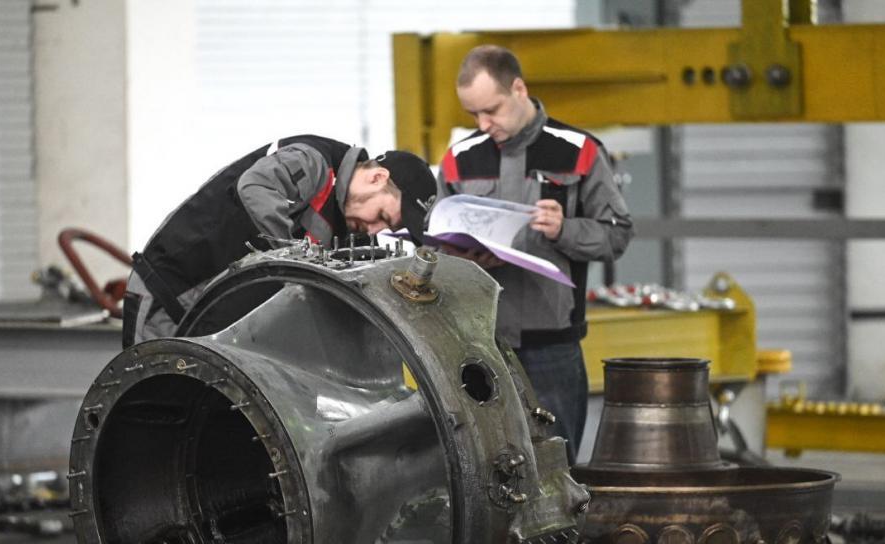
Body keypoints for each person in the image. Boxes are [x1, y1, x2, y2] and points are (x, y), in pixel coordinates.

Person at [437, 45, 635, 465]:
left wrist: (566, 230)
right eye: (474, 115)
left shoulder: (578, 151)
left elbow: (617, 234)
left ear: (519, 89)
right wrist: (462, 258)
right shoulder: (458, 160)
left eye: (492, 110)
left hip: (552, 348)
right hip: (479, 344)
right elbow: (435, 241)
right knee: (480, 466)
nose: (484, 124)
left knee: (555, 467)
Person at [123, 135, 437, 346]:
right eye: (381, 215)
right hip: (168, 298)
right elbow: (256, 186)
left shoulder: (346, 223)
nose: (374, 229)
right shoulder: (312, 162)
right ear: (377, 177)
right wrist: (297, 261)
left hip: (212, 323)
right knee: (157, 406)